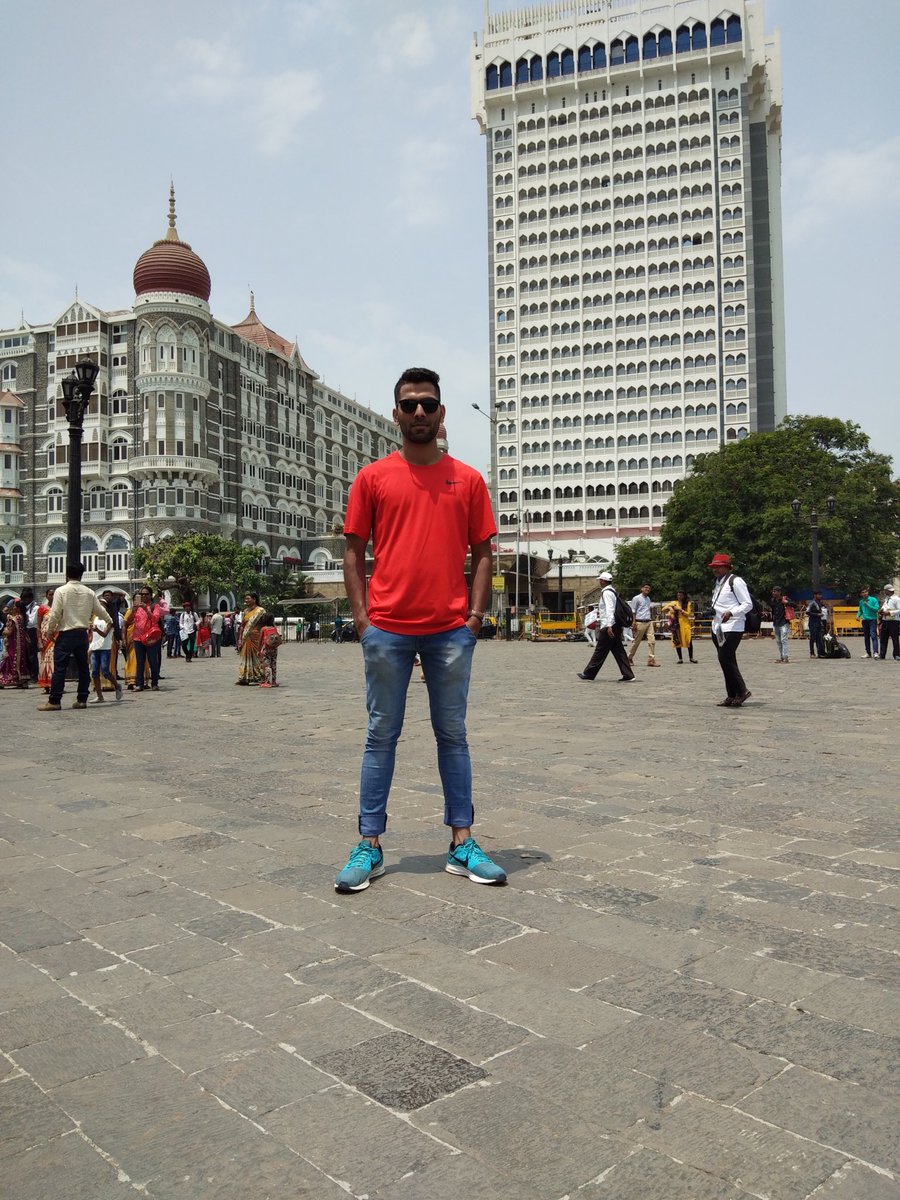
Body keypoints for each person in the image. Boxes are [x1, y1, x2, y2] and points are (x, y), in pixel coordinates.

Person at [335, 365, 505, 893]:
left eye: (428, 404)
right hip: (386, 628)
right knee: (380, 735)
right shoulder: (373, 478)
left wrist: (473, 619)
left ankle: (462, 842)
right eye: (409, 405)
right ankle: (370, 844)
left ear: (441, 412)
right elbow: (352, 551)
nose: (418, 413)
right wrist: (363, 620)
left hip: (450, 632)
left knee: (452, 735)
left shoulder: (469, 480)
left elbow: (483, 554)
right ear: (396, 414)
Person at [38, 562, 110, 711]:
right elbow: (100, 611)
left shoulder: (61, 591)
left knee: (60, 668)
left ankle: (54, 700)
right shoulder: (89, 592)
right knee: (83, 667)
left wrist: (50, 631)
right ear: (81, 574)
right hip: (82, 633)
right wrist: (110, 620)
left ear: (67, 573)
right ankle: (82, 698)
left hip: (66, 633)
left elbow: (55, 613)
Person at [708, 552, 752, 707]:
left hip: (733, 625)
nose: (716, 570)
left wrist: (732, 612)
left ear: (727, 567)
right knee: (726, 660)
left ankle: (742, 690)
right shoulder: (718, 582)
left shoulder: (736, 581)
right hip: (718, 626)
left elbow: (747, 604)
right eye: (714, 567)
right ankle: (732, 694)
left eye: (719, 567)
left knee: (725, 658)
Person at [577, 571, 636, 683]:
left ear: (603, 581)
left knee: (600, 651)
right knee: (619, 651)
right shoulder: (613, 592)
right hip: (615, 625)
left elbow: (610, 609)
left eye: (600, 580)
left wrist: (609, 626)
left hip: (609, 626)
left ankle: (589, 673)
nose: (599, 582)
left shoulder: (606, 593)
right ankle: (628, 674)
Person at [123, 586, 163, 692]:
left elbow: (155, 619)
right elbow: (129, 621)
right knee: (140, 662)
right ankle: (139, 684)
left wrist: (147, 609)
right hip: (137, 637)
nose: (144, 596)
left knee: (152, 661)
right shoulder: (137, 607)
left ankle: (154, 683)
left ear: (151, 595)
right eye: (142, 594)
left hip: (151, 637)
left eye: (146, 594)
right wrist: (133, 610)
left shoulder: (155, 606)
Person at [89, 602, 122, 703]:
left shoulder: (109, 620)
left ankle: (117, 685)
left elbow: (104, 634)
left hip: (105, 647)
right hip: (95, 647)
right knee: (94, 672)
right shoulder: (95, 618)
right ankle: (99, 696)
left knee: (105, 671)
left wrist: (96, 629)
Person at [627, 582, 659, 667]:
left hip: (648, 621)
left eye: (649, 588)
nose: (647, 589)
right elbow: (633, 611)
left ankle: (651, 659)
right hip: (640, 621)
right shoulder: (636, 598)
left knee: (652, 641)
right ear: (641, 588)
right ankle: (629, 657)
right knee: (636, 641)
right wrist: (633, 622)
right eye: (645, 587)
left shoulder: (648, 599)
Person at [236, 592, 266, 684]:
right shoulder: (245, 611)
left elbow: (264, 624)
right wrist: (240, 638)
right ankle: (245, 677)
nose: (246, 600)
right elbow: (242, 626)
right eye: (245, 599)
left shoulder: (260, 611)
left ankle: (258, 676)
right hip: (246, 638)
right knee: (245, 657)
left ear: (254, 599)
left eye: (248, 598)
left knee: (257, 657)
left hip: (257, 637)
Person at [0, 599, 30, 689]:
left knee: (10, 659)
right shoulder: (21, 617)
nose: (12, 608)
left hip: (13, 643)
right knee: (20, 660)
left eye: (14, 607)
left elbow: (8, 632)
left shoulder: (13, 619)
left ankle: (7, 680)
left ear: (18, 608)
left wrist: (4, 632)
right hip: (20, 643)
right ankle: (23, 680)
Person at [662, 590, 696, 663]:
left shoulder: (688, 603)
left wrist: (680, 610)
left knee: (689, 640)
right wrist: (670, 608)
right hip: (676, 624)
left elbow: (688, 614)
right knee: (677, 640)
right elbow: (663, 609)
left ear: (684, 596)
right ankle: (680, 659)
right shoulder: (674, 603)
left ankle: (691, 657)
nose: (679, 597)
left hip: (685, 624)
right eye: (678, 595)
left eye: (681, 595)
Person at [37, 587, 57, 692]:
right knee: (45, 661)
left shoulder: (60, 608)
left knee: (55, 661)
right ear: (46, 596)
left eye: (54, 594)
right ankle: (46, 685)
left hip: (56, 638)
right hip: (45, 640)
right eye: (50, 594)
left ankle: (56, 684)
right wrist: (39, 640)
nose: (52, 596)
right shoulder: (42, 608)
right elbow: (38, 625)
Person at [19, 587, 40, 682]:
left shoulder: (35, 607)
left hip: (31, 631)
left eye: (26, 598)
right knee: (25, 653)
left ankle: (34, 675)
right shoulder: (25, 607)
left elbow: (32, 621)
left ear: (30, 598)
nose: (24, 600)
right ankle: (27, 674)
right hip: (25, 631)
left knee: (32, 654)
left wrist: (25, 617)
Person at [770, 585, 793, 664]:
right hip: (776, 623)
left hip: (784, 622)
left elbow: (794, 604)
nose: (774, 593)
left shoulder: (785, 599)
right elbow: (773, 611)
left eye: (775, 591)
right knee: (778, 641)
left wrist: (787, 603)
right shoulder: (772, 600)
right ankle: (781, 657)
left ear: (779, 592)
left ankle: (785, 657)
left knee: (784, 640)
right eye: (773, 591)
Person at [259, 615, 282, 687]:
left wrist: (258, 649)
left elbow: (260, 640)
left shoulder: (263, 629)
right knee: (274, 665)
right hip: (274, 649)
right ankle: (274, 681)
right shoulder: (274, 628)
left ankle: (267, 682)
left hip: (266, 649)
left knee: (267, 665)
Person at [856, 587, 880, 659]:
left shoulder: (873, 600)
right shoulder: (861, 602)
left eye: (865, 592)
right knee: (866, 637)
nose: (864, 594)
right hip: (864, 620)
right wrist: (858, 616)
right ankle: (868, 653)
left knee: (873, 636)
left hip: (872, 620)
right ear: (861, 594)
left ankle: (875, 652)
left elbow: (876, 609)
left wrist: (868, 605)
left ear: (868, 592)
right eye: (862, 592)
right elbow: (860, 610)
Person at [878, 584, 900, 660]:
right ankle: (882, 654)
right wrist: (881, 610)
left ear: (887, 591)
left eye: (885, 590)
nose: (884, 592)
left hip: (894, 621)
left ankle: (896, 654)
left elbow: (899, 610)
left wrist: (890, 613)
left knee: (895, 638)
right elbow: (885, 606)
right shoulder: (887, 598)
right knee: (883, 638)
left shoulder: (896, 599)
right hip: (885, 620)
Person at [807, 591, 827, 659]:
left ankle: (820, 652)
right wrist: (817, 614)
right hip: (813, 623)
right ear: (815, 595)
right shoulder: (812, 603)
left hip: (819, 622)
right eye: (819, 595)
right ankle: (812, 653)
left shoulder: (820, 603)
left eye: (821, 594)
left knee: (819, 638)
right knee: (812, 638)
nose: (820, 596)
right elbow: (808, 612)